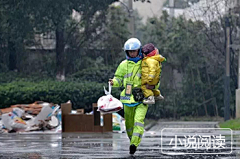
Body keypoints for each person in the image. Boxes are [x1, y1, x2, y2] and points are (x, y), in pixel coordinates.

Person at [109, 38, 151, 155]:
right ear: (126, 52)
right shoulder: (123, 65)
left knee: (138, 121)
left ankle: (134, 144)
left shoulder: (146, 64)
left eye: (134, 51)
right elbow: (118, 78)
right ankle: (132, 140)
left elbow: (155, 79)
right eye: (130, 51)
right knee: (128, 124)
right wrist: (114, 82)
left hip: (142, 98)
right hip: (127, 99)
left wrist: (151, 86)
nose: (132, 53)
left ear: (139, 50)